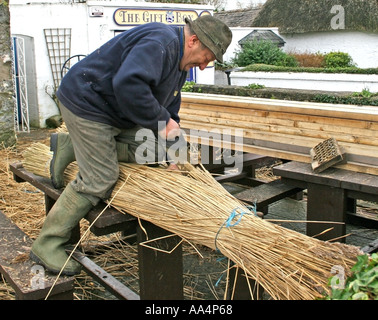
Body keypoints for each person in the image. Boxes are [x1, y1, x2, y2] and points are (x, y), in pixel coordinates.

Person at [30, 15, 232, 275]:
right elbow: (128, 85)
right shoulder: (161, 43)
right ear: (194, 40)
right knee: (100, 178)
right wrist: (163, 122)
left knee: (155, 151)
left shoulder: (179, 64)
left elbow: (168, 108)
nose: (204, 66)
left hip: (115, 111)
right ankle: (47, 243)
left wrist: (173, 151)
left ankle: (72, 146)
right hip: (88, 104)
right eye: (207, 57)